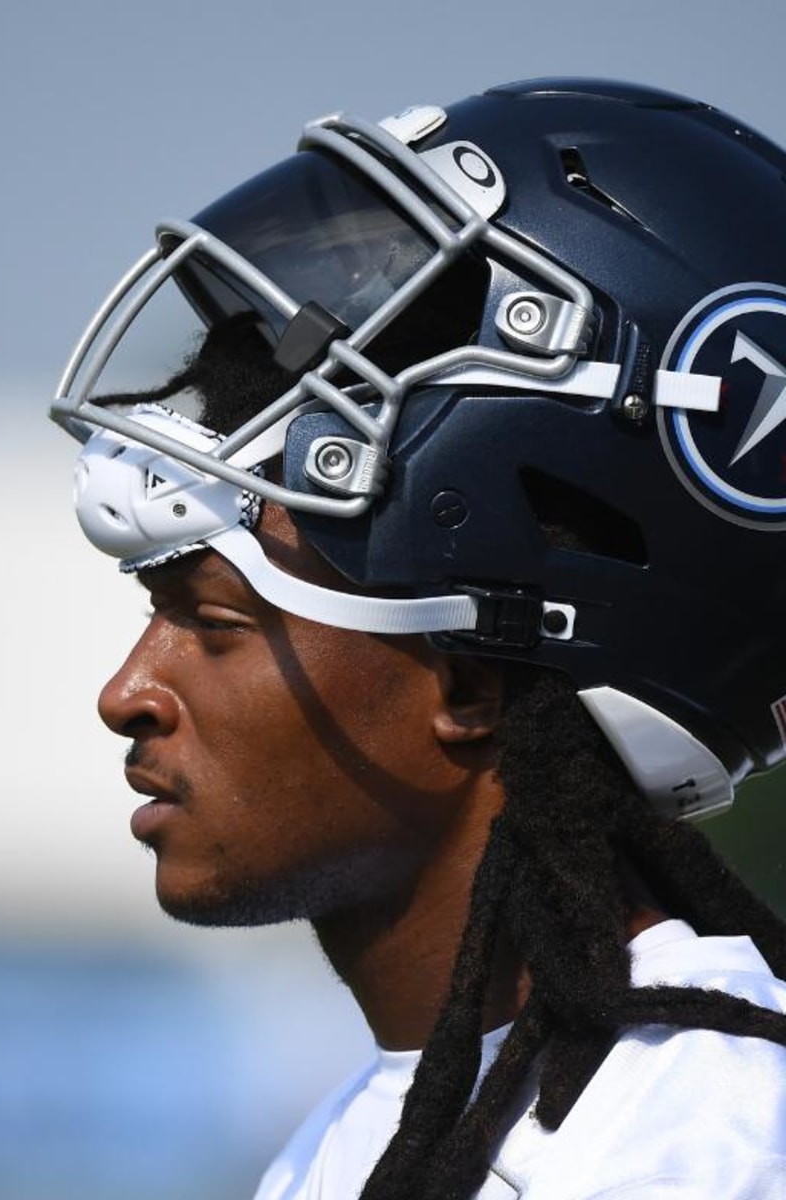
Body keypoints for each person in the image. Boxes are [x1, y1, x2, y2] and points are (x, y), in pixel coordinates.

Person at [49, 78, 786, 1198]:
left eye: (215, 621)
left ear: (469, 680)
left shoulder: (707, 1143)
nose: (127, 692)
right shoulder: (364, 1141)